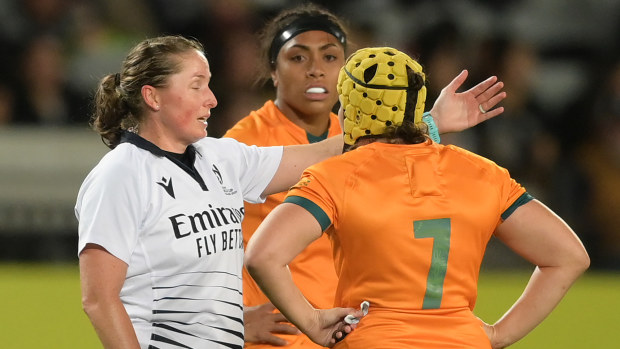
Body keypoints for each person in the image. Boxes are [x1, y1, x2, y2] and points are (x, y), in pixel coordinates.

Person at [244, 47, 590, 348]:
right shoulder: (483, 174)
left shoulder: (335, 176)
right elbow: (569, 257)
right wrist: (497, 335)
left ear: (347, 113)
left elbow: (263, 255)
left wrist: (313, 322)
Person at [223, 4, 506, 347]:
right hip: (279, 340)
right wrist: (232, 320)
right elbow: (198, 240)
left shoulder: (357, 137)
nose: (315, 70)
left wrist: (426, 124)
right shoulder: (245, 144)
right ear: (273, 70)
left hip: (347, 335)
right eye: (298, 58)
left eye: (330, 58)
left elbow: (374, 147)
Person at [75, 35, 347, 349]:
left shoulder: (220, 157)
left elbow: (318, 155)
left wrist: (369, 129)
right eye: (197, 85)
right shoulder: (120, 175)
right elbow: (98, 299)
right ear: (153, 97)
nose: (212, 99)